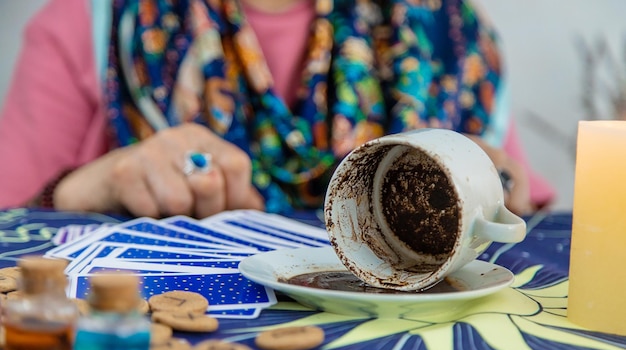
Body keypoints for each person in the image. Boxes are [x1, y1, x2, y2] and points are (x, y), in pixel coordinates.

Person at [0, 0, 554, 219]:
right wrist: (89, 187)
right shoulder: (89, 26)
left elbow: (520, 213)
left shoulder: (451, 37)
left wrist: (496, 182)